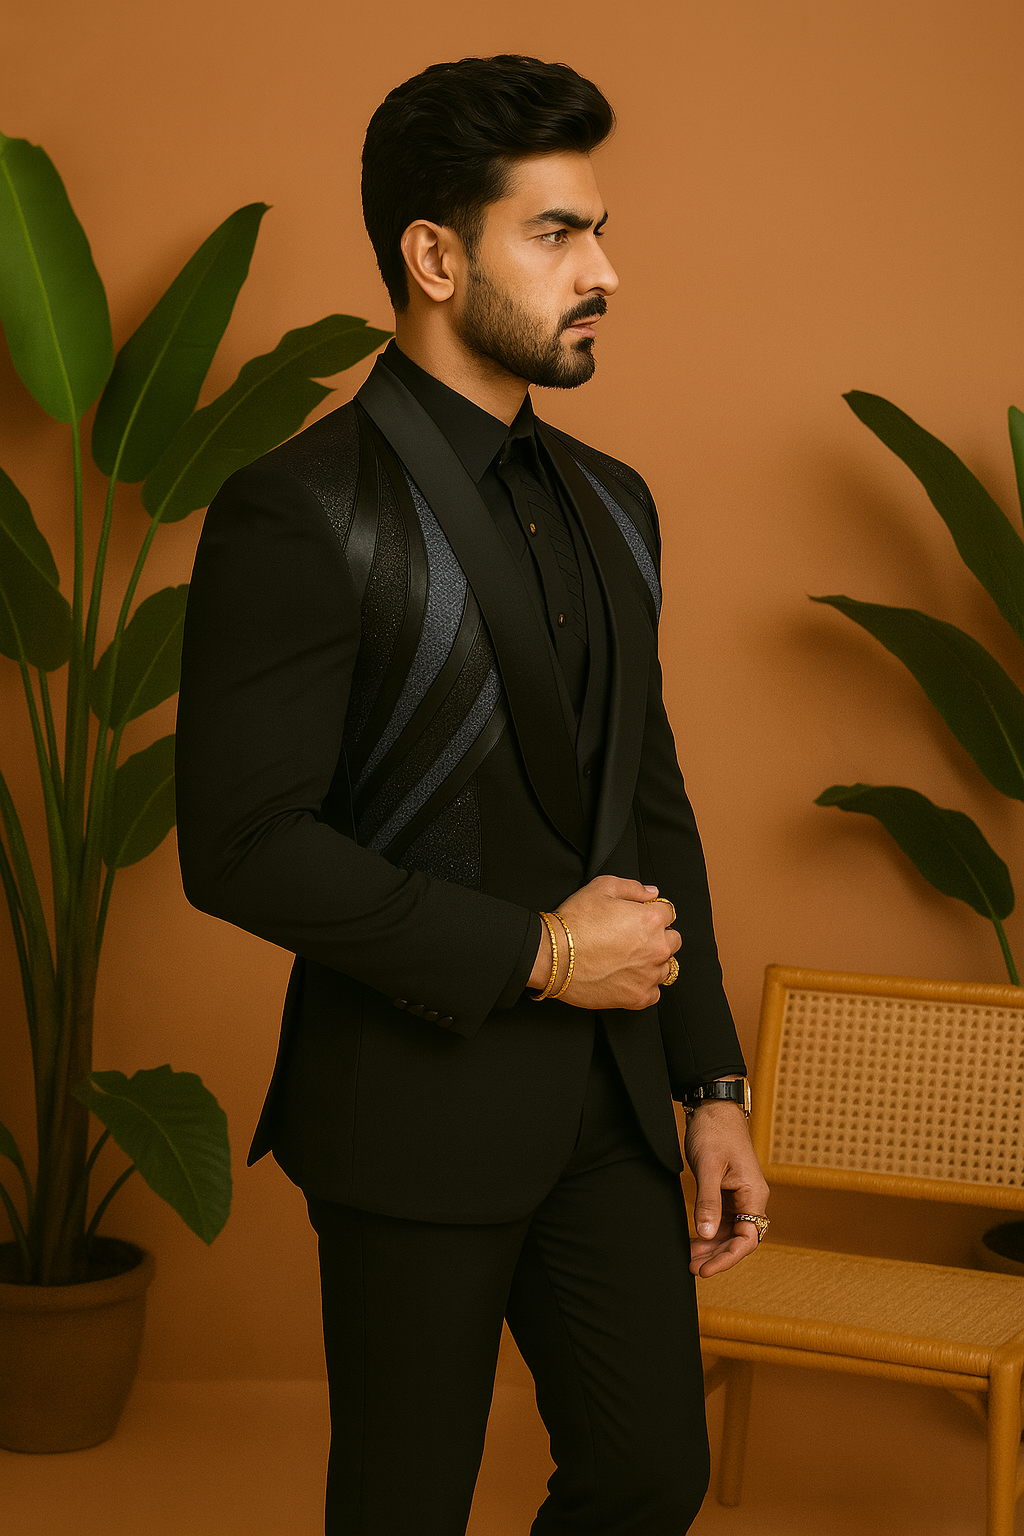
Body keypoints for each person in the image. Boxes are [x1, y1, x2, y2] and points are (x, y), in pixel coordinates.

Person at [175, 53, 769, 1536]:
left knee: (649, 1475)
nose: (606, 271)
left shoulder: (616, 497)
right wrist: (543, 955)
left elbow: (654, 801)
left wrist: (712, 1084)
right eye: (557, 234)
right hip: (411, 1109)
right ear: (434, 257)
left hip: (619, 1114)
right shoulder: (300, 508)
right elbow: (242, 848)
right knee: (404, 1506)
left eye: (599, 228)